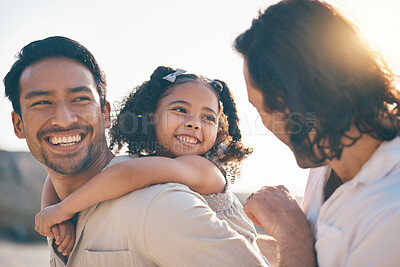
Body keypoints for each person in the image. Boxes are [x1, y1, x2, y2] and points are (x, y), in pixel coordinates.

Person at [4, 36, 269, 266]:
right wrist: (55, 216)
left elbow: (128, 174)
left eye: (208, 118)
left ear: (106, 114)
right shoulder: (148, 168)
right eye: (42, 102)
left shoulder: (190, 178)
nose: (193, 123)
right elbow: (56, 177)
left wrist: (61, 210)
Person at [234, 0, 400, 266]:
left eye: (260, 106)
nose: (264, 123)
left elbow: (302, 249)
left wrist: (291, 231)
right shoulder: (324, 160)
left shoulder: (391, 211)